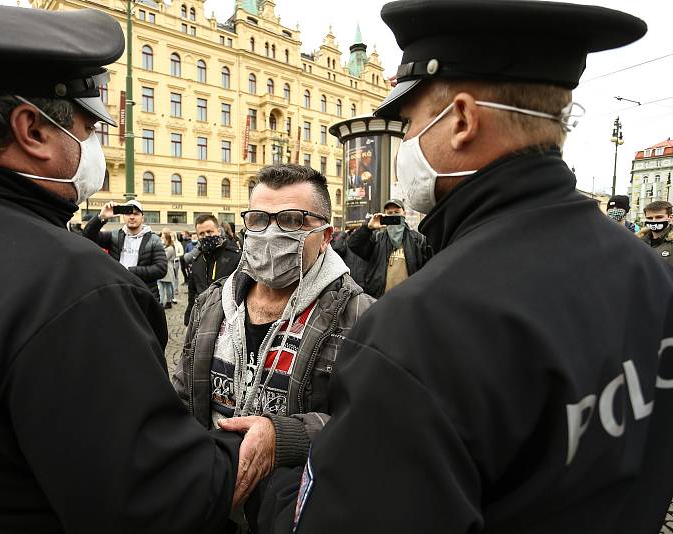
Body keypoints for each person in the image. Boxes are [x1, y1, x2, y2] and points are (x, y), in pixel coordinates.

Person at [260, 2, 673, 533]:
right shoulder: (648, 271)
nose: (403, 145)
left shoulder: (422, 326)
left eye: (407, 126)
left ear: (460, 120)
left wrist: (276, 490)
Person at [0, 6, 244, 532]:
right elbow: (162, 505)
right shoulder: (71, 285)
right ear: (31, 129)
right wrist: (255, 448)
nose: (95, 143)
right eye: (88, 125)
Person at [172, 164, 375, 513]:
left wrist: (285, 437)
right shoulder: (211, 304)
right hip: (208, 497)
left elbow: (372, 423)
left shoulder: (360, 316)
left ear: (325, 236)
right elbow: (183, 393)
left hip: (292, 510)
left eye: (293, 220)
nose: (269, 233)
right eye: (258, 220)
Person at [83, 199, 167, 302]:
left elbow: (161, 269)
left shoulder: (154, 240)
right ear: (123, 217)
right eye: (128, 213)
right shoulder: (114, 236)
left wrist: (129, 271)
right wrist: (101, 216)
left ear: (142, 218)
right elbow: (87, 236)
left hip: (144, 294)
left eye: (136, 214)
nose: (132, 217)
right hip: (118, 293)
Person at [347, 198, 430, 298]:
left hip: (409, 299)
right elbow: (353, 244)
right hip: (381, 300)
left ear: (404, 214)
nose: (393, 215)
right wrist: (368, 227)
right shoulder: (377, 238)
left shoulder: (418, 239)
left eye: (397, 212)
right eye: (390, 213)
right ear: (385, 216)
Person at [183, 214, 241, 325]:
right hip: (202, 320)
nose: (206, 236)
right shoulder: (197, 261)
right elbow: (192, 292)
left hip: (227, 321)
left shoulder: (235, 257)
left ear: (218, 231)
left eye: (210, 232)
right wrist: (188, 316)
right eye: (202, 234)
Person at [638, 200, 673, 266]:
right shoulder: (638, 241)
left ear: (670, 218)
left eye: (659, 217)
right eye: (649, 218)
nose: (654, 221)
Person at [158, 228, 177, 309]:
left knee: (168, 286)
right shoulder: (165, 246)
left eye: (163, 237)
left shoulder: (170, 248)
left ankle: (169, 301)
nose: (161, 239)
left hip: (167, 268)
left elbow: (164, 257)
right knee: (161, 286)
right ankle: (161, 302)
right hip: (163, 268)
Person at [173, 231, 185, 302]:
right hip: (169, 261)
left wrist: (176, 254)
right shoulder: (168, 243)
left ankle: (176, 288)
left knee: (175, 275)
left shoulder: (178, 244)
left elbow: (182, 252)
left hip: (176, 261)